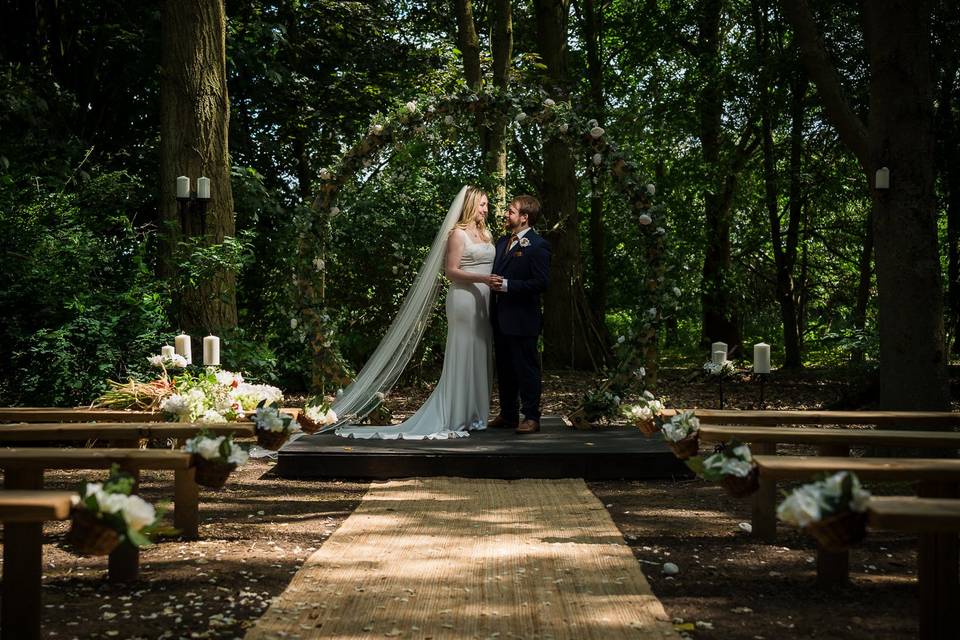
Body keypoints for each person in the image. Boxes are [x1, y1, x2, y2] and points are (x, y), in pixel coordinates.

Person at [335, 186, 500, 439]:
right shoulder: (457, 234)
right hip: (464, 300)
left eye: (486, 205)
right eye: (482, 204)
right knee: (464, 351)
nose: (485, 209)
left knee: (481, 352)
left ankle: (476, 415)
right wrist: (483, 278)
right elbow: (451, 272)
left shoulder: (486, 234)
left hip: (485, 301)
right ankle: (457, 414)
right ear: (469, 205)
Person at [488, 195, 551, 434]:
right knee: (504, 368)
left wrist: (507, 285)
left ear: (524, 217)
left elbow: (541, 283)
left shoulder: (538, 245)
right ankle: (508, 414)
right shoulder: (502, 241)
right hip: (500, 317)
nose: (506, 214)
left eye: (511, 211)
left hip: (524, 318)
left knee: (527, 369)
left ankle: (532, 417)